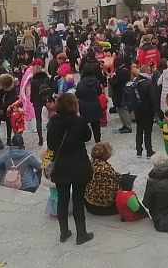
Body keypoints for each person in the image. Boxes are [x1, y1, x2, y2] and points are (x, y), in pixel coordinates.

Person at [46, 92, 94, 245]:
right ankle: (82, 234)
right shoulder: (78, 121)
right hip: (78, 164)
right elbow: (87, 137)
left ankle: (64, 232)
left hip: (60, 166)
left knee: (62, 199)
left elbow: (51, 145)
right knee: (78, 200)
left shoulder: (53, 121)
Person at [84, 142, 120, 215]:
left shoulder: (90, 165)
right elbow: (114, 189)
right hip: (104, 208)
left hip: (89, 205)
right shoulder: (105, 169)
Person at [75, 67, 103, 143]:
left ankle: (85, 137)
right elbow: (100, 92)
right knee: (96, 123)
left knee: (84, 122)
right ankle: (97, 139)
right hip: (95, 104)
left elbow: (77, 94)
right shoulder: (96, 81)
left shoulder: (80, 83)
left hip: (84, 105)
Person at [109, 57, 132, 134]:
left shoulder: (122, 72)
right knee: (120, 109)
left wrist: (110, 79)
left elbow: (116, 83)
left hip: (120, 93)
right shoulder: (124, 70)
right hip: (121, 93)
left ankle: (127, 126)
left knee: (122, 110)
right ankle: (125, 125)